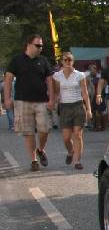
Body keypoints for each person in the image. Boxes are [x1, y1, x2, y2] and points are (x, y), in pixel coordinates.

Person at [3, 34, 55, 172]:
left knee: (45, 129)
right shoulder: (17, 60)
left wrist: (52, 99)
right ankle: (33, 160)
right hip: (22, 101)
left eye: (41, 45)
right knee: (28, 132)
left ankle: (40, 149)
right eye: (38, 45)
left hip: (42, 101)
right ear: (29, 45)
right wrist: (7, 99)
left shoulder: (43, 60)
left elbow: (50, 80)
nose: (40, 48)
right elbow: (8, 79)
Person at [52, 52, 91, 170]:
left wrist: (89, 109)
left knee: (78, 135)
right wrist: (53, 102)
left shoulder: (79, 75)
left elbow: (85, 92)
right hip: (64, 107)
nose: (68, 62)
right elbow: (56, 92)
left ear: (73, 61)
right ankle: (70, 152)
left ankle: (77, 161)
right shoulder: (56, 76)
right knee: (66, 138)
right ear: (62, 62)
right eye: (65, 60)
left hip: (78, 106)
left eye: (70, 60)